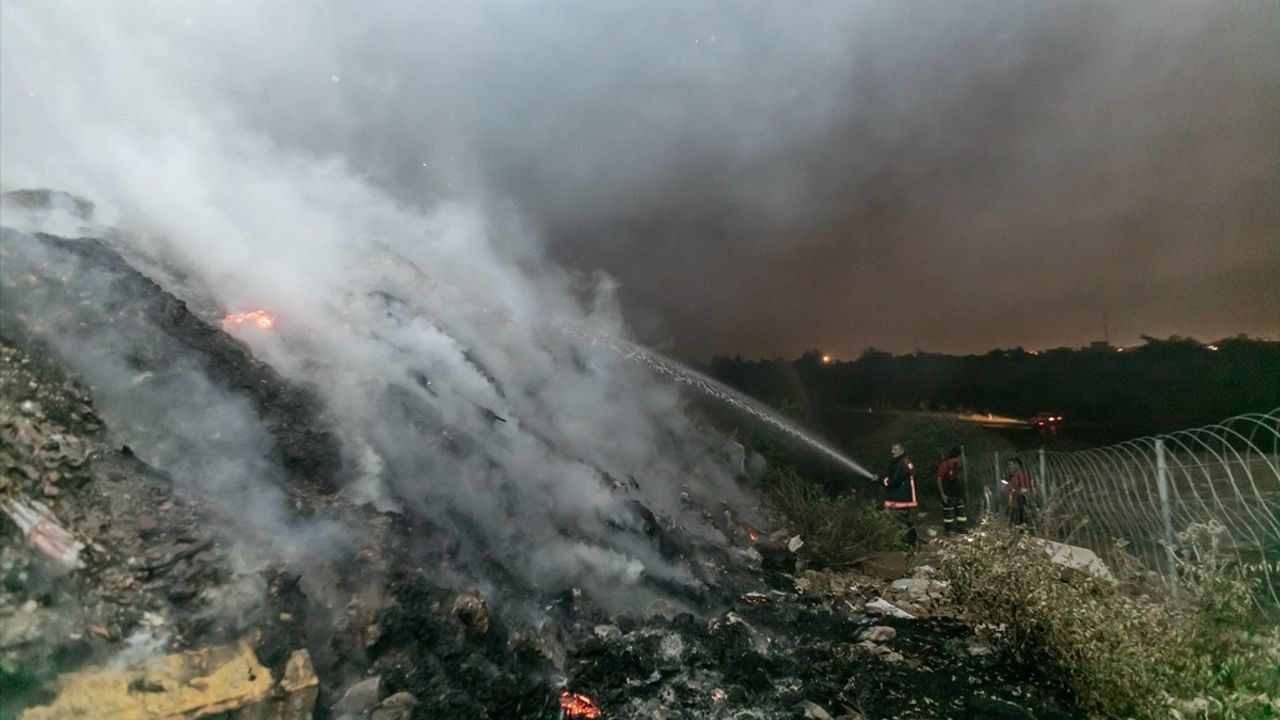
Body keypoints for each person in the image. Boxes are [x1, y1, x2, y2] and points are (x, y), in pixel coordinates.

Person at [879, 442, 918, 546]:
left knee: (900, 520)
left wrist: (879, 480)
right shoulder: (905, 461)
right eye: (892, 449)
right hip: (904, 496)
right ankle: (910, 541)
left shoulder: (900, 464)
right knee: (903, 519)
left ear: (902, 450)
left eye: (895, 449)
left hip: (900, 497)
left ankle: (908, 542)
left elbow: (894, 482)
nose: (892, 452)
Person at [935, 447, 967, 533]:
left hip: (956, 489)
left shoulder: (959, 465)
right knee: (948, 510)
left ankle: (962, 528)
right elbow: (939, 478)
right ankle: (949, 530)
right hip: (948, 489)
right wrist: (942, 494)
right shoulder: (945, 465)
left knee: (960, 507)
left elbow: (959, 477)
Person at [1003, 457, 1032, 526]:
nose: (1009, 467)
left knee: (1019, 525)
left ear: (1017, 465)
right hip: (1014, 504)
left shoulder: (1021, 475)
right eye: (1008, 465)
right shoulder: (1013, 476)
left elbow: (1025, 490)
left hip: (1020, 504)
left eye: (1011, 465)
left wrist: (1013, 491)